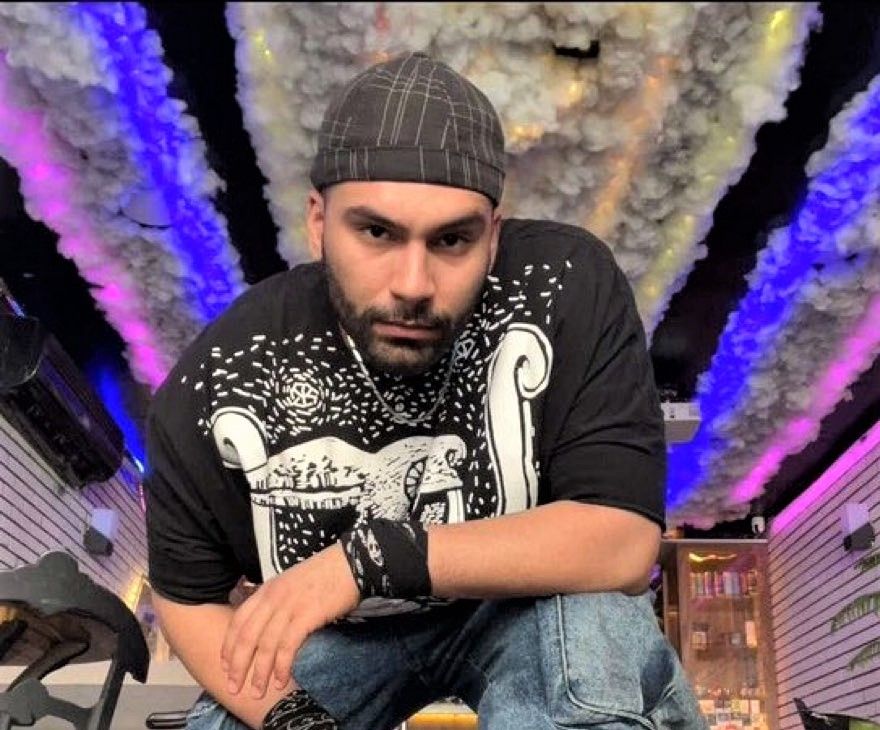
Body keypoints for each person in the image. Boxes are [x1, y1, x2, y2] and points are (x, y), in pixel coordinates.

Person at [144, 51, 706, 730]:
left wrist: (370, 560)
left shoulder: (566, 284)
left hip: (528, 606)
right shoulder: (221, 375)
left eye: (452, 240)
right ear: (318, 222)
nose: (413, 284)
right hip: (346, 638)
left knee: (595, 632)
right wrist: (294, 720)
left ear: (492, 237)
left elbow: (622, 543)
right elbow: (188, 596)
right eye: (376, 231)